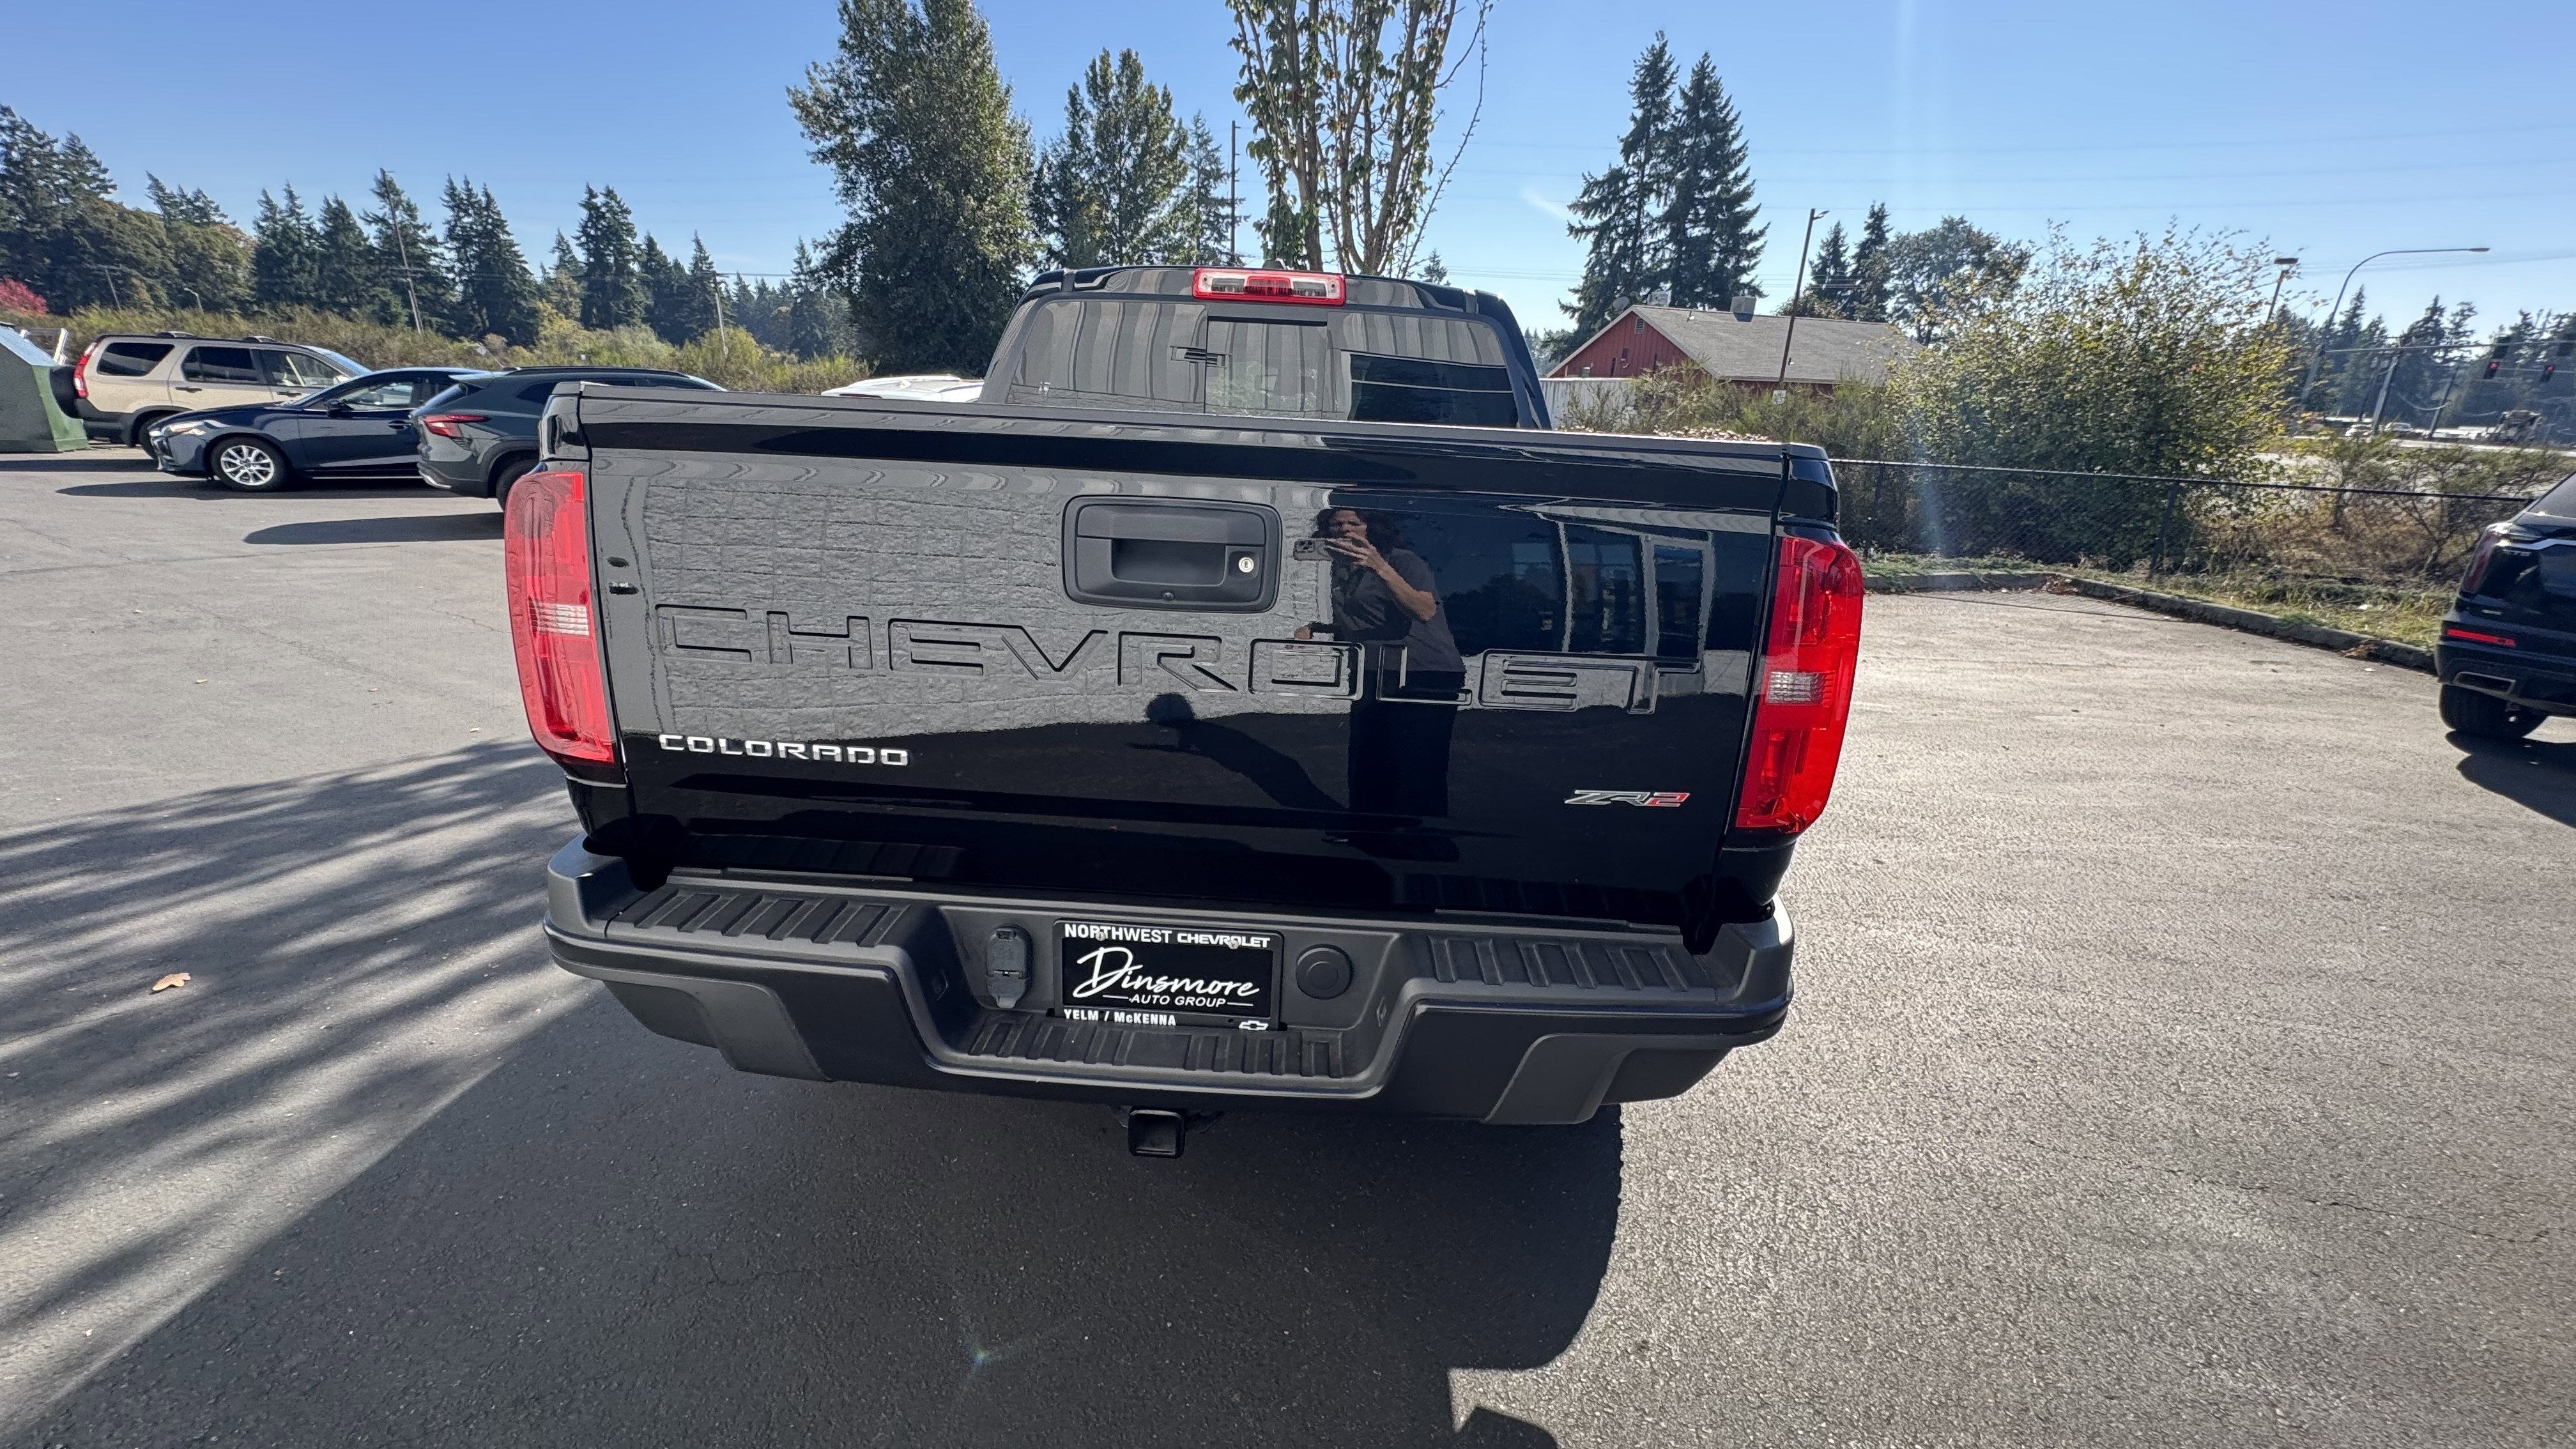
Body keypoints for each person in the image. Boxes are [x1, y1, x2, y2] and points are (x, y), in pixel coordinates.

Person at [1296, 507, 1464, 818]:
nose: (1344, 529)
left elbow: (1424, 610)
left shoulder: (1402, 561)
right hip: (1372, 669)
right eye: (1336, 525)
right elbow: (1372, 621)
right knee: (1367, 755)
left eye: (1354, 523)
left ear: (1372, 528)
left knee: (1416, 761)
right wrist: (1319, 629)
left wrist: (1379, 567)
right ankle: (1368, 833)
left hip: (1422, 670)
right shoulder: (1343, 569)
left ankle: (1424, 842)